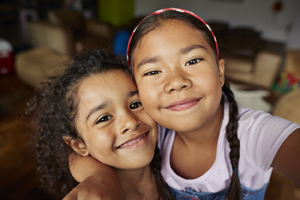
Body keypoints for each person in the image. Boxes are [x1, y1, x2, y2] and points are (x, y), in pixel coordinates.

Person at [64, 8, 300, 200]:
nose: (176, 82)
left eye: (193, 60)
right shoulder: (152, 128)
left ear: (220, 72)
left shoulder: (255, 133)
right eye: (153, 71)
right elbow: (76, 149)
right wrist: (98, 175)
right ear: (139, 91)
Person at [24, 49, 174, 200]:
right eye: (103, 118)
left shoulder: (172, 145)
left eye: (135, 104)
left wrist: (97, 175)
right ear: (78, 145)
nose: (130, 122)